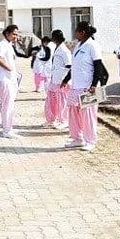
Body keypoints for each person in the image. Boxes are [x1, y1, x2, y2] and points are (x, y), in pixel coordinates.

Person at [61, 22, 105, 151]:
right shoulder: (78, 45)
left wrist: (94, 85)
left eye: (77, 31)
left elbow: (98, 67)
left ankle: (90, 140)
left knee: (88, 114)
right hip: (76, 85)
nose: (75, 34)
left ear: (83, 32)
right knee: (73, 112)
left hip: (87, 86)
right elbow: (74, 66)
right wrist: (66, 79)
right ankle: (77, 138)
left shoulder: (93, 45)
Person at [0, 25, 22, 138]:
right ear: (7, 33)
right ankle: (7, 130)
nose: (16, 36)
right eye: (14, 34)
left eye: (17, 34)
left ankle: (8, 127)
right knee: (8, 105)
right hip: (5, 79)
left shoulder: (9, 45)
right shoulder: (3, 44)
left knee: (6, 105)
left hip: (8, 78)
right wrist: (10, 69)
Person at [43, 30, 70, 129]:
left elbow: (69, 65)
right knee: (51, 99)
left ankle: (64, 120)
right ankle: (51, 120)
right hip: (54, 79)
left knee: (62, 101)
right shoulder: (56, 48)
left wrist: (65, 80)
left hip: (61, 80)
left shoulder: (64, 50)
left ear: (56, 38)